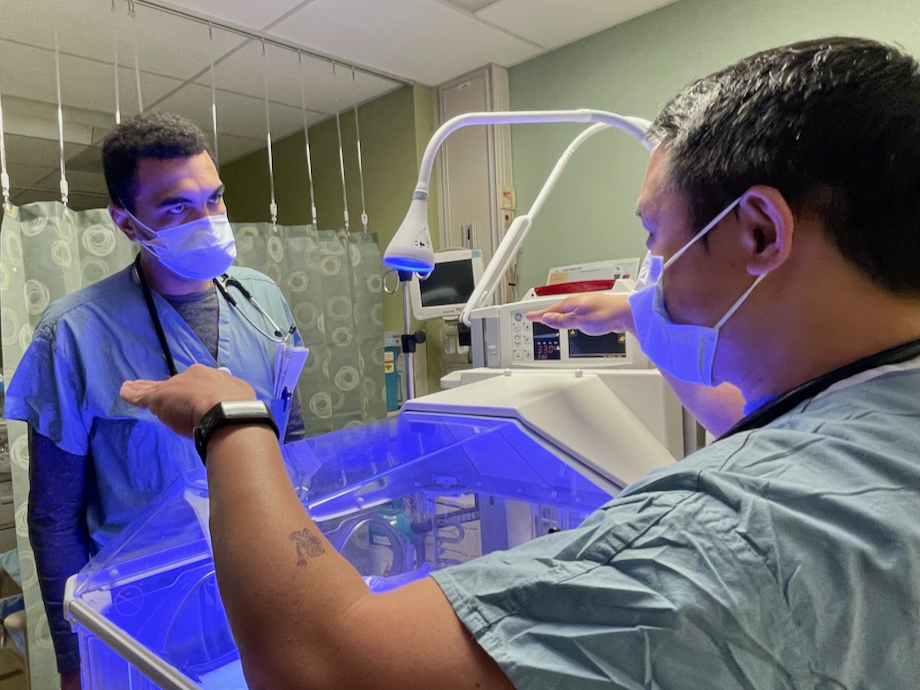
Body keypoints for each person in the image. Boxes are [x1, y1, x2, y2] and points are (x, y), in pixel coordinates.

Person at [121, 37, 920, 689]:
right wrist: (643, 316)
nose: (652, 272)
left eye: (652, 236)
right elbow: (750, 421)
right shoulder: (875, 424)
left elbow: (323, 665)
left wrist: (232, 419)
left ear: (757, 232)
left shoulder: (724, 534)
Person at [3, 112, 305, 689]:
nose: (209, 220)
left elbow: (294, 441)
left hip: (265, 586)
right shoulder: (74, 334)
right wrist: (75, 662)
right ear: (126, 221)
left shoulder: (261, 299)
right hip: (144, 615)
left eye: (214, 199)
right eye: (177, 207)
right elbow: (53, 518)